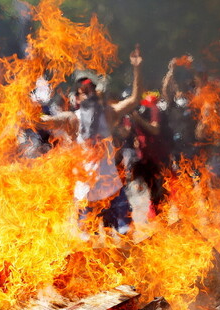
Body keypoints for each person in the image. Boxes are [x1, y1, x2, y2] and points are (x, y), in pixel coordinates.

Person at [40, 46, 143, 235]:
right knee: (91, 248)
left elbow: (135, 99)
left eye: (90, 90)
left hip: (111, 189)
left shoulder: (108, 114)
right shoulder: (73, 119)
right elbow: (44, 121)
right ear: (77, 98)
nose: (88, 94)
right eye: (83, 91)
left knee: (125, 236)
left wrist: (136, 68)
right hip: (86, 194)